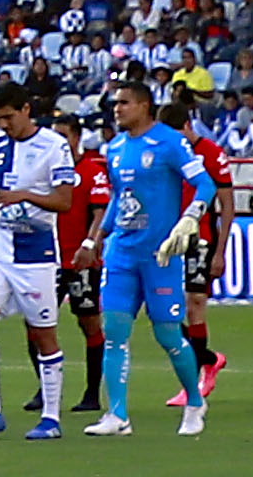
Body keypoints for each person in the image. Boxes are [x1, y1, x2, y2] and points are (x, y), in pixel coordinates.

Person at [93, 74, 220, 435]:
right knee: (114, 331)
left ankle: (194, 401)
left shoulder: (170, 142)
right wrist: (97, 238)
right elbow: (119, 197)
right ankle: (117, 414)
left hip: (160, 255)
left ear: (143, 106)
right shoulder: (114, 148)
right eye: (115, 103)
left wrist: (190, 217)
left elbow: (205, 183)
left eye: (124, 103)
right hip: (122, 252)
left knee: (167, 334)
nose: (117, 109)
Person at [0, 75, 87, 438]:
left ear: (26, 109)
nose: (4, 125)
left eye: (9, 117)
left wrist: (24, 195)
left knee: (42, 334)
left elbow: (64, 201)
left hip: (35, 252)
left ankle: (51, 418)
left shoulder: (54, 145)